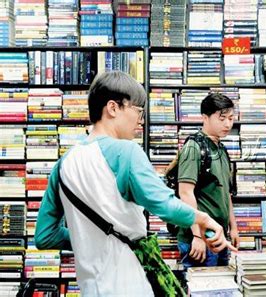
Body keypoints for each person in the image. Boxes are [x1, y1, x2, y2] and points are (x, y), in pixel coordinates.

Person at [34, 71, 234, 296]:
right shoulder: (127, 152)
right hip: (132, 286)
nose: (141, 121)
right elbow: (165, 206)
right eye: (138, 111)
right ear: (113, 108)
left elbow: (44, 236)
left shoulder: (63, 164)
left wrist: (89, 238)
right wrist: (205, 219)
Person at [177, 93, 240, 268]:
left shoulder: (221, 149)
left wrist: (233, 228)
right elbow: (185, 193)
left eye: (230, 118)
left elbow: (225, 192)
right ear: (205, 117)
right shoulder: (193, 147)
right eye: (222, 119)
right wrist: (197, 236)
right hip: (200, 239)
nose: (228, 124)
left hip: (220, 237)